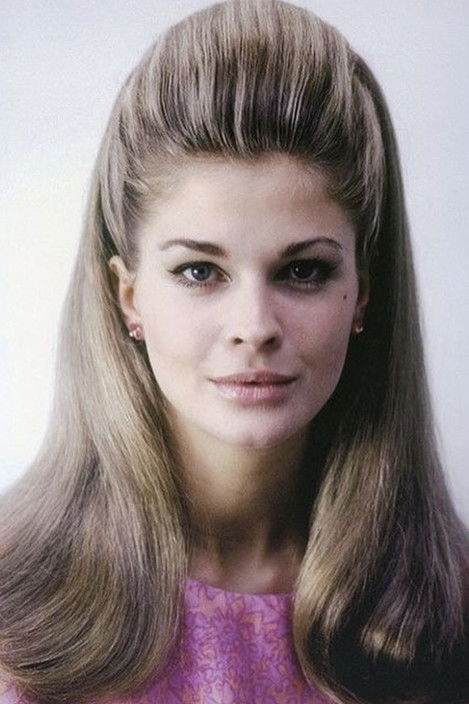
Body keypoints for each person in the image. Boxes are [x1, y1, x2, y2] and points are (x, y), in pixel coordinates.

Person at [1, 1, 468, 702]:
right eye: (199, 271)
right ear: (128, 296)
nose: (254, 326)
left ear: (363, 294)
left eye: (303, 270)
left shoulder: (450, 611)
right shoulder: (12, 609)